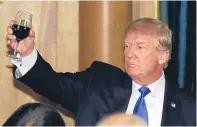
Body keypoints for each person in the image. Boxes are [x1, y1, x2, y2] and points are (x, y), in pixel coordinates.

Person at [6, 18, 196, 126]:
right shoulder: (98, 84)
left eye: (140, 47)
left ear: (162, 56)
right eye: (127, 46)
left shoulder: (189, 108)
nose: (129, 54)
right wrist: (27, 53)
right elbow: (52, 84)